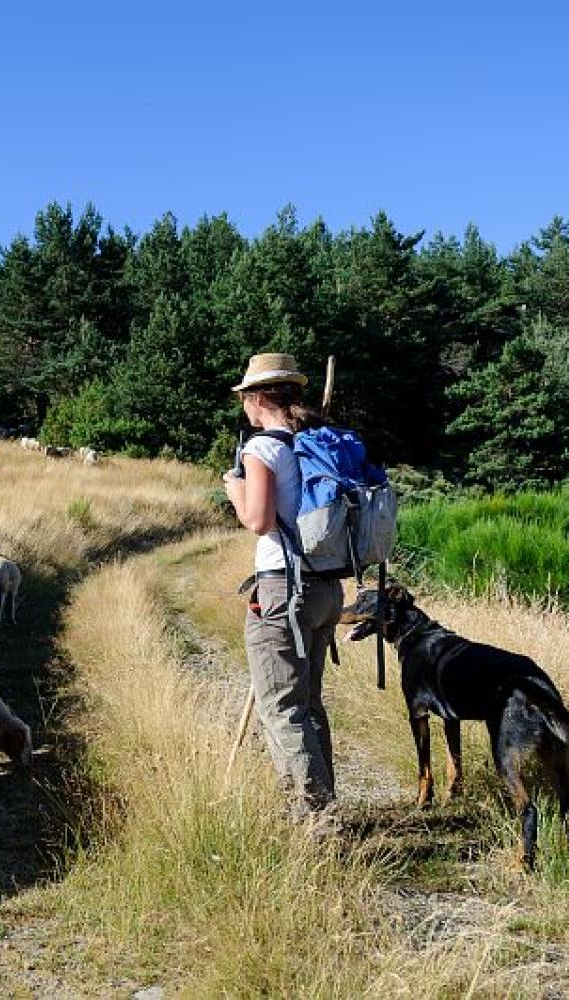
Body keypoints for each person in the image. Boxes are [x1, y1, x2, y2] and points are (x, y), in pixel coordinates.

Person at [221, 353, 342, 823]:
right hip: (325, 590)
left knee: (282, 707)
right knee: (308, 703)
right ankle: (321, 803)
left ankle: (315, 819)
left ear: (255, 399)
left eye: (246, 398)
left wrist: (233, 487)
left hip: (283, 591)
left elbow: (258, 520)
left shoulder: (261, 449)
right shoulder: (313, 441)